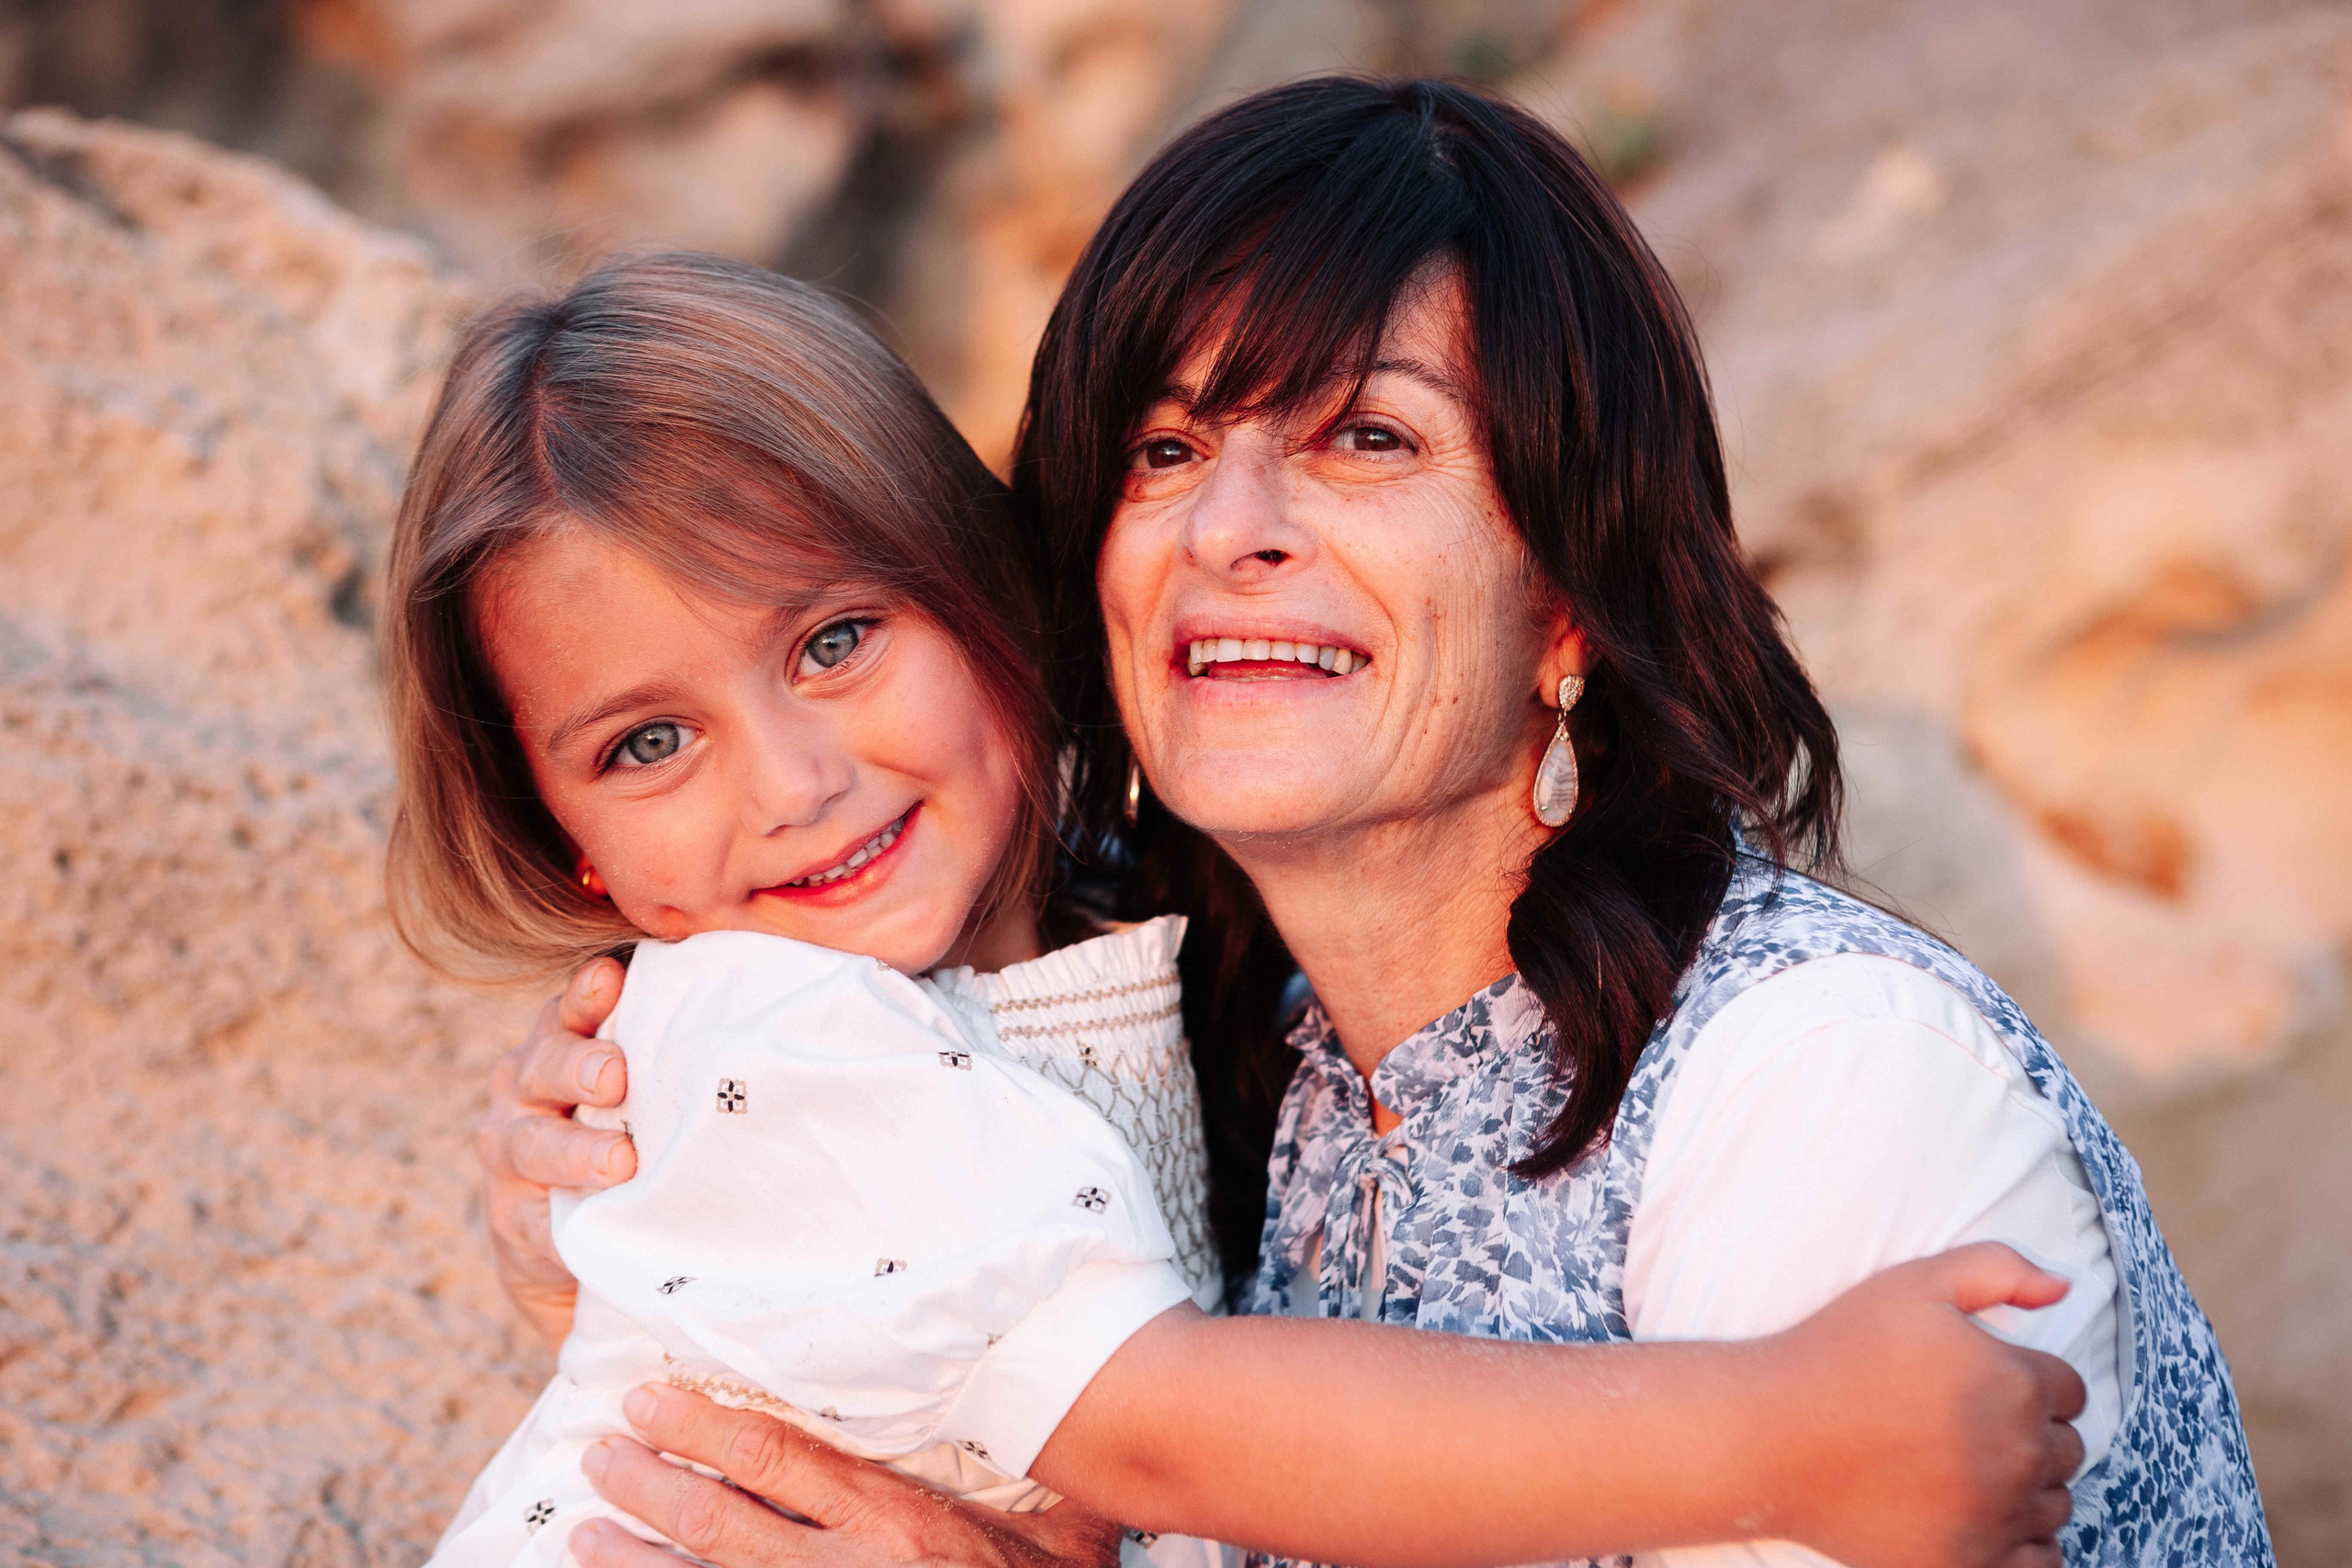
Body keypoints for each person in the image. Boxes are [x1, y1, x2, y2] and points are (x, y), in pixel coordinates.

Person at [389, 251, 2086, 1568]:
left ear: (991, 596)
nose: (790, 782)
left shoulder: (1146, 961)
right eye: (650, 742)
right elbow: (1181, 1432)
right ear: (573, 849)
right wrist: (1786, 1434)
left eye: (836, 641)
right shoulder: (787, 1037)